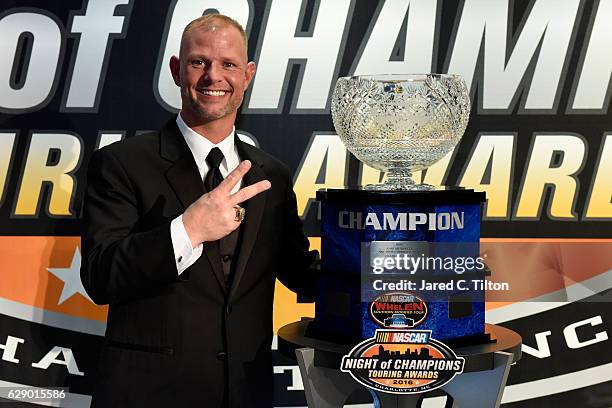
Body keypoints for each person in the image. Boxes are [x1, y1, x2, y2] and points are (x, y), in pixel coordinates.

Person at [81, 14, 317, 408]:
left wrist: (377, 281)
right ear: (177, 70)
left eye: (228, 64)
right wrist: (186, 231)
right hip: (146, 396)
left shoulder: (270, 174)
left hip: (245, 393)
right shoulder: (120, 163)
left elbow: (300, 273)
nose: (213, 76)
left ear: (247, 75)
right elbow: (100, 277)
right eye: (198, 62)